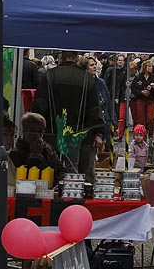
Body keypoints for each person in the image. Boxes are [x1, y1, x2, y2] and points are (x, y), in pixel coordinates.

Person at [32, 48, 103, 181]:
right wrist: (97, 131)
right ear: (76, 58)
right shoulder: (86, 78)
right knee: (73, 167)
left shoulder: (49, 75)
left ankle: (51, 196)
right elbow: (93, 108)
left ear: (60, 58)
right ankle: (72, 196)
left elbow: (40, 104)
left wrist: (37, 127)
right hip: (77, 130)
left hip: (52, 129)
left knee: (50, 166)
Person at [130, 59, 154, 138]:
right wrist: (141, 92)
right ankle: (142, 137)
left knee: (150, 119)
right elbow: (133, 88)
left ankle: (150, 136)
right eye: (149, 66)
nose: (151, 68)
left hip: (151, 100)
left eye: (151, 66)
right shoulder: (138, 77)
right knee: (140, 120)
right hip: (140, 100)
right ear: (145, 67)